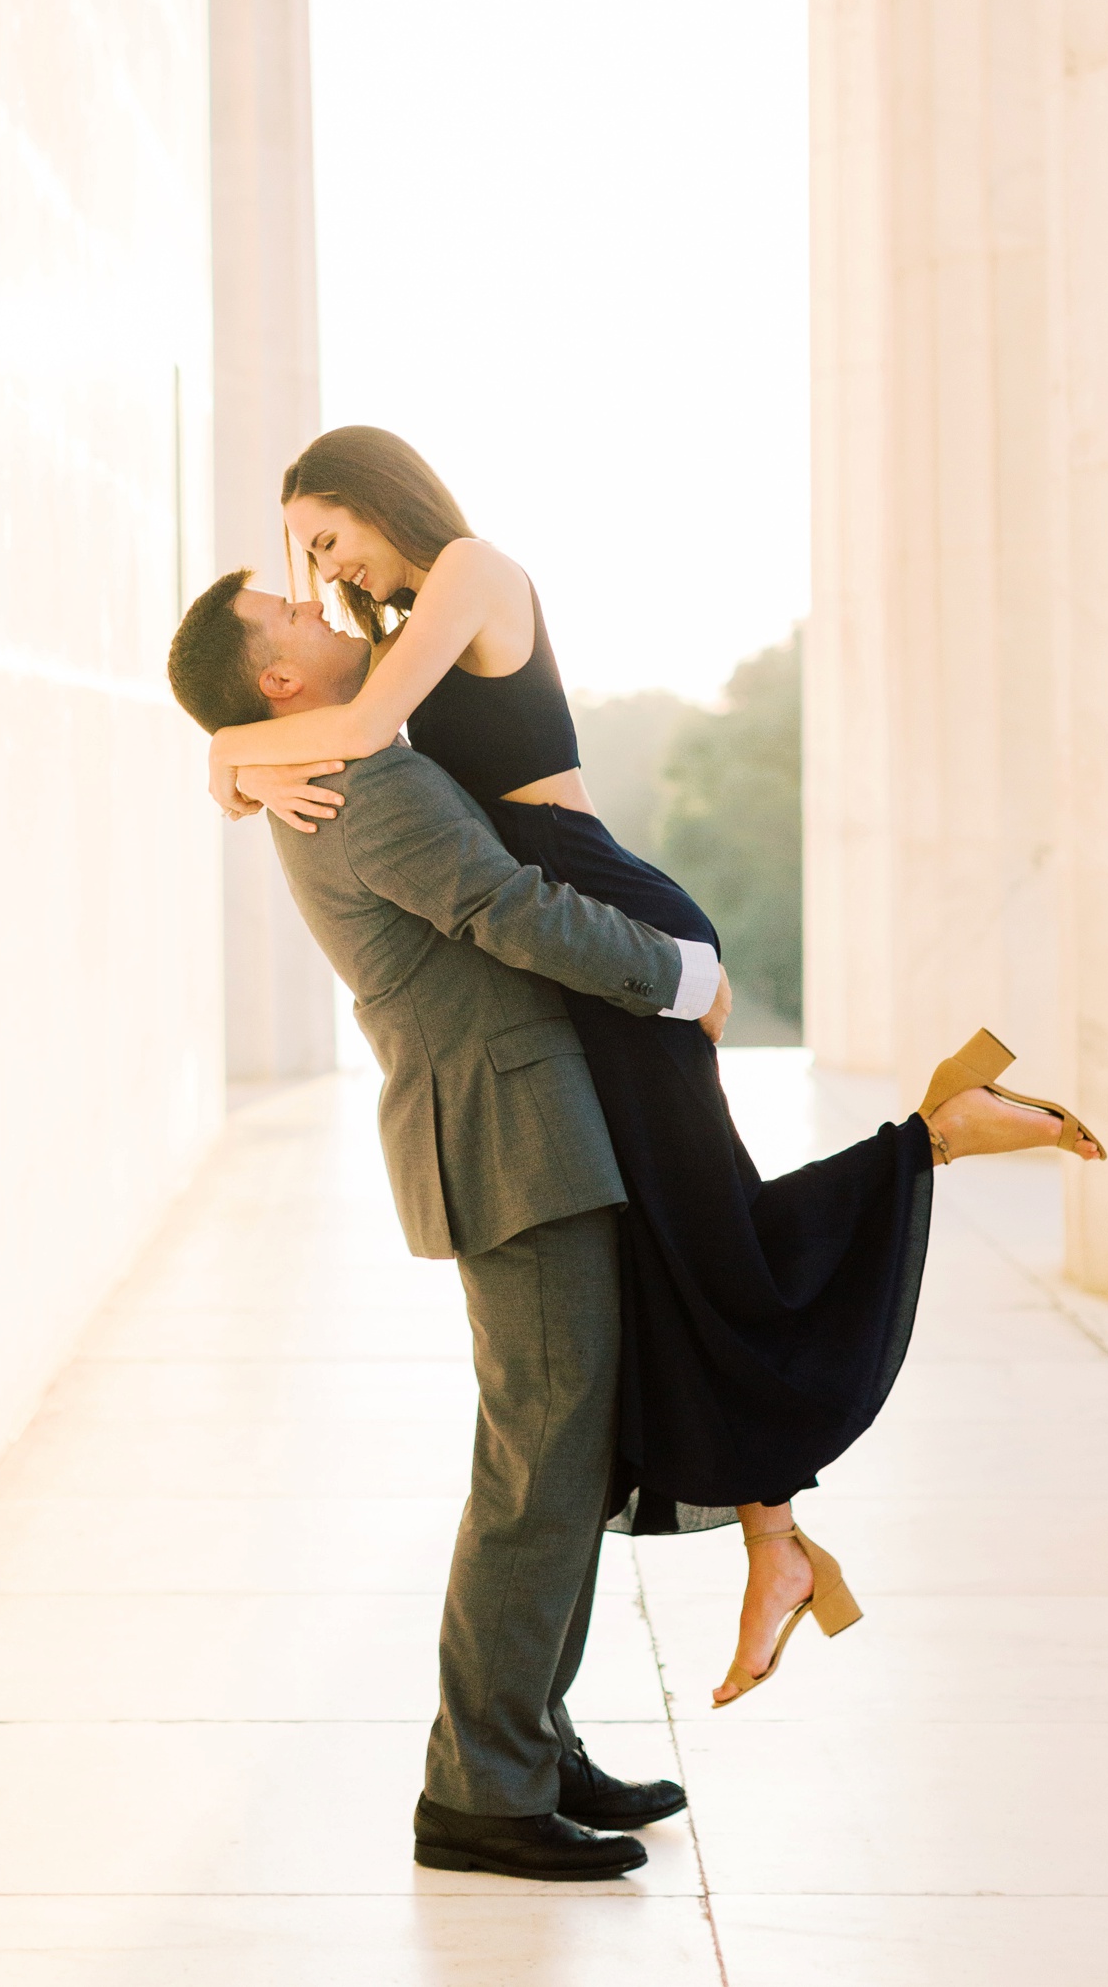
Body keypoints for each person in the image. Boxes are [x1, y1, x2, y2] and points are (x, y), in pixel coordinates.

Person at [199, 427, 1107, 1707]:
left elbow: (358, 725)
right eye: (306, 562)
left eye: (327, 540)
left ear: (376, 496)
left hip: (606, 919)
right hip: (581, 943)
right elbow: (345, 729)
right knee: (690, 1230)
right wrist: (239, 754)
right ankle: (775, 1545)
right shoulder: (404, 624)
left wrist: (226, 753)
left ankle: (936, 1135)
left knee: (706, 1227)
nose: (327, 572)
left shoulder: (469, 571)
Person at [167, 568, 728, 1880]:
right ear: (278, 682)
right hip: (507, 1131)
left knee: (560, 1454)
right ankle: (482, 1788)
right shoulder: (362, 784)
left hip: (518, 1124)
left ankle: (528, 1740)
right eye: (290, 612)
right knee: (539, 1467)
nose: (321, 603)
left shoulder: (320, 762)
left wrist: (230, 760)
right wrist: (677, 974)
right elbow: (505, 910)